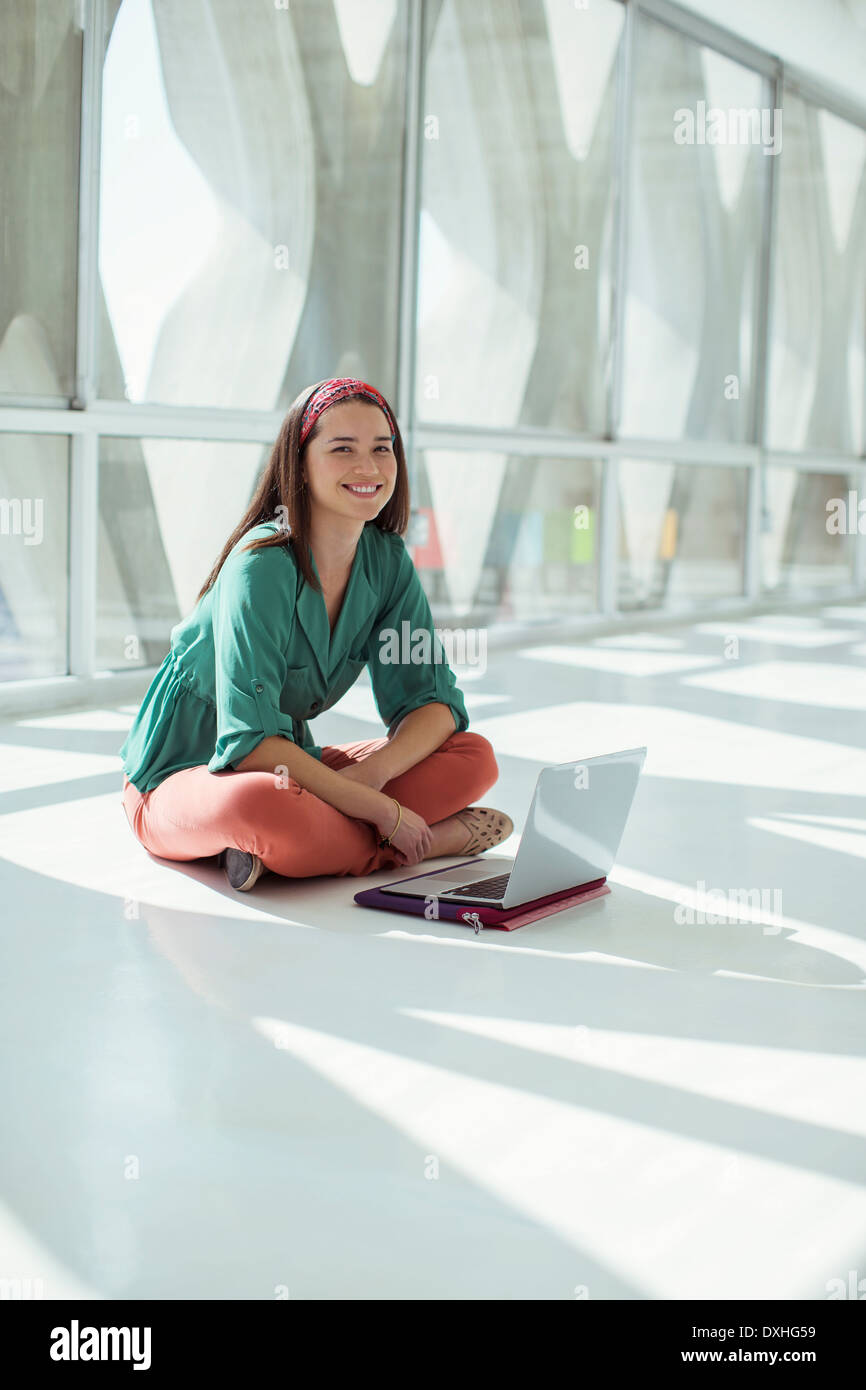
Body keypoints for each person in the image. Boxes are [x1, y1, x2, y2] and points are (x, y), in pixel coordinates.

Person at [119, 376, 512, 891]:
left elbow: (432, 703)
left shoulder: (387, 561)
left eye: (382, 448)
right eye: (342, 449)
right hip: (184, 779)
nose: (368, 467)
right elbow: (251, 746)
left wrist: (372, 778)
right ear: (299, 462)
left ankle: (292, 850)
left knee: (472, 757)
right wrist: (381, 812)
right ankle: (426, 845)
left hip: (291, 767)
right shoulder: (260, 565)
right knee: (257, 804)